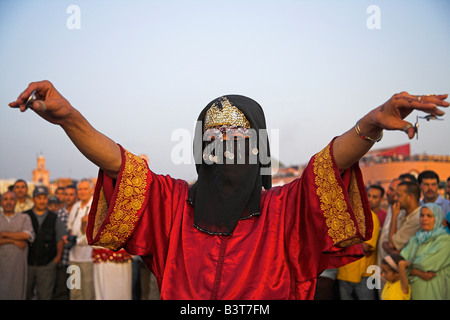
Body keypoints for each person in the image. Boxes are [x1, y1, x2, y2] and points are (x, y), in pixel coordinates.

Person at [9, 81, 448, 299]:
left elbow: (329, 167)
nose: (226, 153)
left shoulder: (283, 211)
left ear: (257, 150)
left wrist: (369, 124)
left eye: (238, 143)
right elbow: (117, 163)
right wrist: (69, 118)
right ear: (201, 150)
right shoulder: (174, 206)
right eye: (215, 142)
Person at [23, 186, 66, 300]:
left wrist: (56, 260)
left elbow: (60, 240)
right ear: (33, 199)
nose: (42, 201)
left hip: (46, 266)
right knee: (24, 294)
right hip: (27, 265)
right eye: (39, 198)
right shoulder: (25, 216)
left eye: (44, 198)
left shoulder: (54, 218)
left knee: (45, 296)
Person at [400, 203, 450, 300]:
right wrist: (418, 273)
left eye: (429, 216)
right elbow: (399, 261)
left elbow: (424, 265)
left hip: (433, 292)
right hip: (412, 293)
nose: (424, 219)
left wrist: (406, 269)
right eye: (422, 215)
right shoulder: (415, 239)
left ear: (438, 218)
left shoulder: (445, 240)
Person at [337, 211, 380, 300]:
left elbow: (366, 247)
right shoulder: (341, 214)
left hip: (365, 276)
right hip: (343, 273)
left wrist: (347, 240)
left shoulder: (371, 216)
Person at [0, 191, 35, 300]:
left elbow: (26, 235)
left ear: (16, 202)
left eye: (11, 199)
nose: (8, 202)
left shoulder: (24, 218)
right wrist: (14, 241)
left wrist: (4, 234)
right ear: (1, 203)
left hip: (18, 266)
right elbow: (21, 236)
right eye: (5, 199)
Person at [66, 179, 95, 300]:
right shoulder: (75, 207)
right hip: (73, 257)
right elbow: (70, 227)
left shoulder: (96, 206)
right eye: (80, 189)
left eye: (85, 189)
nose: (82, 192)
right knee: (74, 292)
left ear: (92, 190)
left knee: (87, 292)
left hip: (88, 258)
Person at [383, 181, 421, 257]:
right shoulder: (402, 213)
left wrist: (394, 217)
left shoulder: (417, 218)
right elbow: (386, 242)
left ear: (410, 197)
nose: (395, 198)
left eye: (398, 195)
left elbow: (391, 244)